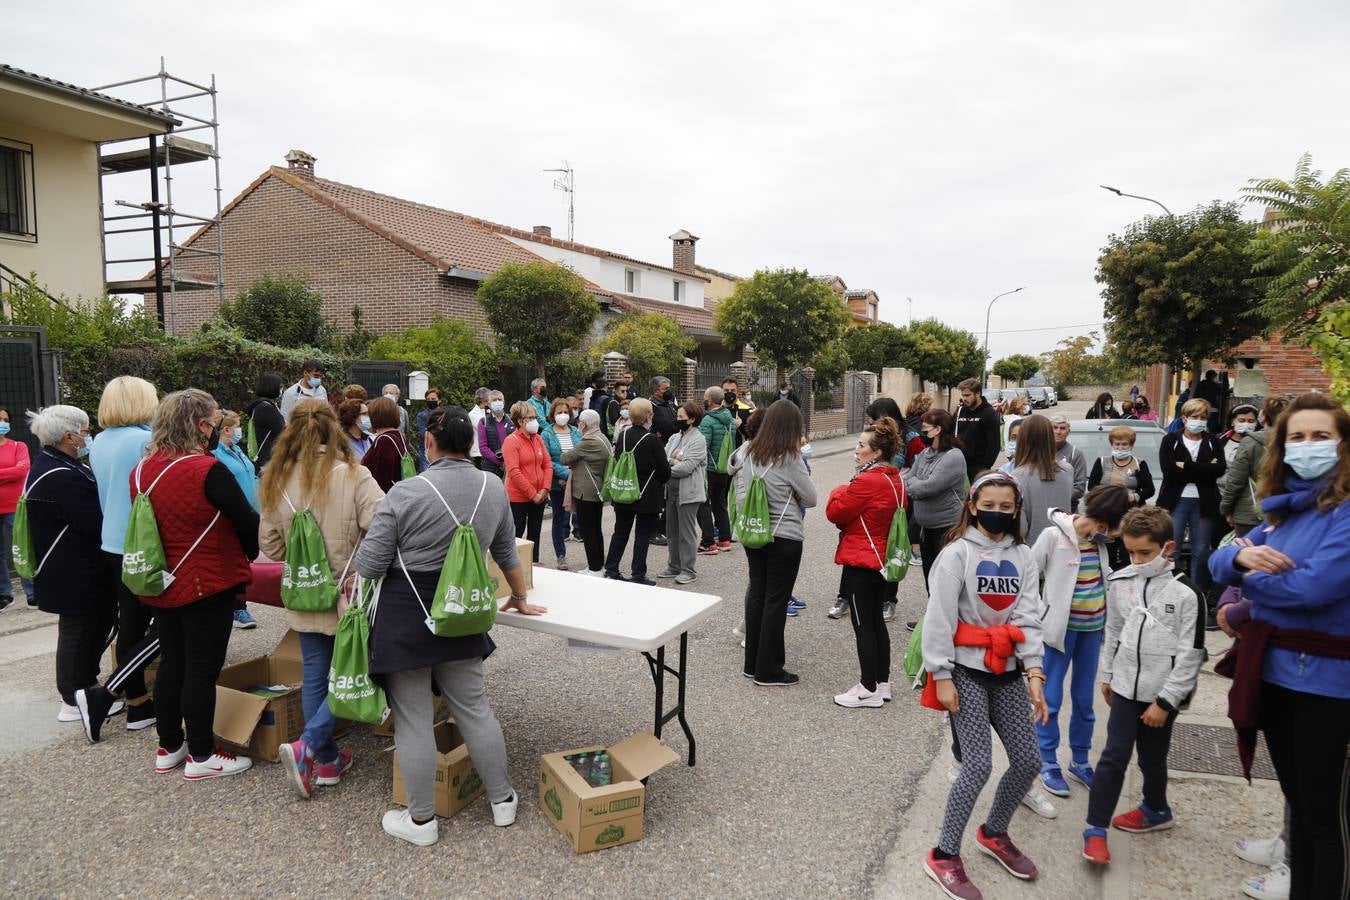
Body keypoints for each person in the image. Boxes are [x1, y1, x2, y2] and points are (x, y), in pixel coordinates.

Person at [354, 405, 543, 846]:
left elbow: (371, 564)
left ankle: (421, 821)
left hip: (408, 611)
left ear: (429, 443)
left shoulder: (404, 492)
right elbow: (506, 553)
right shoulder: (492, 486)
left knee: (414, 718)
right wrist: (519, 597)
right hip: (464, 609)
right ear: (472, 443)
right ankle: (502, 801)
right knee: (475, 708)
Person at [1208, 392, 1349, 899]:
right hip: (1277, 676)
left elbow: (1314, 588)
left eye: (1321, 436)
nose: (1307, 446)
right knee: (1297, 803)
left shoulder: (1344, 512)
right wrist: (1243, 565)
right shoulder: (1287, 510)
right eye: (1297, 437)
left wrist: (1248, 599)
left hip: (1329, 688)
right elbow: (1221, 561)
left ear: (1343, 446)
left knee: (1325, 822)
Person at [920, 472, 1048, 897]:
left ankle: (994, 832)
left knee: (1029, 761)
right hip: (965, 670)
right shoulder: (957, 554)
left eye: (1006, 507)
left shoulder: (1025, 556)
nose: (997, 513)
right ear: (973, 506)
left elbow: (1028, 615)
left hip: (1009, 671)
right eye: (989, 505)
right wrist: (940, 674)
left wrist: (1034, 672)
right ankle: (943, 854)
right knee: (976, 764)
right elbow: (938, 617)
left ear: (1016, 510)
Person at [261, 400, 384, 799]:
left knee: (316, 671)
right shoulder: (354, 475)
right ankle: (309, 745)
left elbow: (272, 548)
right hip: (347, 592)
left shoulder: (274, 478)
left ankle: (327, 760)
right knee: (356, 670)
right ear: (335, 430)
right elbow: (382, 527)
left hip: (304, 589)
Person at [135, 389, 259, 780]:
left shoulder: (143, 469)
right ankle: (203, 754)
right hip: (208, 578)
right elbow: (246, 520)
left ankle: (169, 744)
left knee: (174, 661)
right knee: (202, 670)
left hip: (161, 580)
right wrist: (250, 553)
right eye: (215, 423)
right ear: (202, 426)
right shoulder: (206, 469)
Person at [1082, 505, 1205, 866]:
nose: (1136, 559)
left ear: (1168, 547)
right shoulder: (1120, 582)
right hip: (1124, 688)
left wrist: (1166, 702)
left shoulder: (1187, 595)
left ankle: (1156, 809)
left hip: (1160, 694)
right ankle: (1095, 829)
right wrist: (1107, 675)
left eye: (1145, 553)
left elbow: (1191, 654)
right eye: (1131, 552)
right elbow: (1114, 630)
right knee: (1114, 756)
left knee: (1153, 758)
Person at [1030, 485, 1133, 798]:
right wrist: (1039, 615)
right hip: (1058, 634)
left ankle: (1079, 759)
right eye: (1111, 528)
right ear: (1102, 520)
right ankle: (1047, 761)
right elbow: (1028, 576)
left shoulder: (1100, 543)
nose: (1110, 534)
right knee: (1050, 697)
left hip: (1092, 630)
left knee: (1085, 700)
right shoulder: (1053, 537)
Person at [77, 377, 159, 739]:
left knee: (133, 623)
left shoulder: (100, 443)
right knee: (170, 623)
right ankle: (110, 692)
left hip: (113, 542)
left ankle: (138, 701)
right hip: (143, 543)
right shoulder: (142, 441)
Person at [24, 405, 117, 724]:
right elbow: (92, 520)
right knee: (79, 631)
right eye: (86, 431)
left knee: (89, 627)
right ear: (69, 436)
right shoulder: (61, 475)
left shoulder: (53, 464)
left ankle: (85, 687)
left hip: (70, 566)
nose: (88, 437)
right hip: (72, 568)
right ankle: (72, 696)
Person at [732, 400, 816, 685]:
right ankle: (769, 670)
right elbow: (811, 498)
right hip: (784, 534)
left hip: (755, 531)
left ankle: (752, 663)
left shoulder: (748, 452)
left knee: (757, 593)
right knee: (776, 600)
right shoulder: (790, 457)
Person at [826, 416, 905, 708]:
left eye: (861, 445)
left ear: (877, 452)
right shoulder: (893, 477)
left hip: (863, 559)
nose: (856, 450)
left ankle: (867, 688)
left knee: (863, 625)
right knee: (875, 622)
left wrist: (838, 490)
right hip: (881, 558)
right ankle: (881, 682)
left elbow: (836, 511)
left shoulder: (868, 479)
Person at [1157, 398, 1225, 624]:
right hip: (1176, 502)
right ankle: (1170, 595)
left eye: (1203, 417)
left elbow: (1219, 470)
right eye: (1194, 417)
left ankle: (1196, 599)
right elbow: (1169, 471)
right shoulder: (1170, 440)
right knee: (1171, 550)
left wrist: (1185, 465)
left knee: (1200, 551)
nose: (1198, 421)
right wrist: (1203, 469)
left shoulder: (1214, 442)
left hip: (1204, 504)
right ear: (1184, 418)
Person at [604, 398, 671, 584]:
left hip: (624, 492)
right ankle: (638, 574)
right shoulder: (653, 441)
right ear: (648, 416)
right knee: (642, 536)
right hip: (646, 495)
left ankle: (611, 568)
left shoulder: (623, 435)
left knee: (620, 532)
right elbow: (664, 472)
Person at [902, 409, 968, 596]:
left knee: (945, 578)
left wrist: (916, 486)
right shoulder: (925, 453)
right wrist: (916, 485)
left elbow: (928, 487)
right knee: (930, 575)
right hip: (926, 527)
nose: (922, 432)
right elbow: (909, 481)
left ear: (938, 429)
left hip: (945, 527)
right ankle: (933, 616)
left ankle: (947, 620)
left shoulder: (953, 456)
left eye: (925, 429)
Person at [212, 411, 261, 630]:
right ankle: (238, 608)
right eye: (238, 426)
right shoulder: (215, 454)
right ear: (227, 430)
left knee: (244, 560)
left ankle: (238, 605)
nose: (240, 431)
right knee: (234, 560)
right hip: (232, 514)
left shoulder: (238, 450)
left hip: (251, 510)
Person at [1220, 396, 1289, 538]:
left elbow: (1235, 480)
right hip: (1284, 509)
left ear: (1262, 417)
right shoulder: (1293, 441)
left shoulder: (1250, 442)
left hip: (1249, 512)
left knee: (1248, 554)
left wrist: (1226, 509)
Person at [658, 400, 708, 585]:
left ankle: (688, 569)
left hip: (689, 491)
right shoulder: (674, 437)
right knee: (672, 531)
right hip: (671, 489)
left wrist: (669, 464)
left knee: (686, 533)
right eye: (677, 416)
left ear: (692, 419)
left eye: (681, 417)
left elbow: (686, 467)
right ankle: (674, 566)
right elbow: (663, 458)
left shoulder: (698, 439)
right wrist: (672, 462)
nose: (677, 419)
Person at [561, 409, 610, 577]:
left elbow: (566, 458)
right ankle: (598, 565)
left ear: (583, 424)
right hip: (596, 489)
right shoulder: (602, 437)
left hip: (586, 491)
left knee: (588, 531)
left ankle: (594, 568)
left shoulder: (588, 440)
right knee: (596, 529)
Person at [1011, 415, 1075, 541]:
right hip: (1064, 546)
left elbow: (1021, 528)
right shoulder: (1067, 470)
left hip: (1033, 548)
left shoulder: (1017, 476)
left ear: (1023, 440)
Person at [502, 400, 550, 564]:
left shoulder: (537, 439)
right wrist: (532, 493)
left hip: (540, 495)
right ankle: (514, 568)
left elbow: (547, 465)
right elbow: (514, 471)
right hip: (518, 497)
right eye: (530, 417)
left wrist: (545, 488)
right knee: (517, 533)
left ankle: (533, 564)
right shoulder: (511, 441)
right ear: (520, 420)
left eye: (534, 417)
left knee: (535, 532)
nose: (534, 421)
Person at [539, 398, 581, 570]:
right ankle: (560, 555)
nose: (563, 415)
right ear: (552, 414)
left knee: (583, 517)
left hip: (578, 480)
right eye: (559, 412)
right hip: (558, 483)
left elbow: (581, 453)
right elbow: (547, 460)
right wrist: (567, 474)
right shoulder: (547, 433)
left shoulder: (576, 432)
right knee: (558, 518)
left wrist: (575, 474)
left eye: (565, 412)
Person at [0, 405, 33, 610]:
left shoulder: (18, 446)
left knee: (21, 547)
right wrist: (7, 473)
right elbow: (14, 471)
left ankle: (32, 592)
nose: (2, 423)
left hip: (14, 506)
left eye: (5, 419)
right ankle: (4, 594)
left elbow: (22, 470)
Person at [697, 386, 736, 555]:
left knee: (703, 504)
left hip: (710, 468)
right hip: (724, 468)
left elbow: (703, 446)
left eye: (705, 398)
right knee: (720, 503)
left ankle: (708, 543)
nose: (703, 400)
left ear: (710, 401)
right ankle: (725, 539)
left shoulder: (708, 420)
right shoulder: (729, 419)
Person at [648, 377, 679, 547]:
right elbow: (668, 426)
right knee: (658, 493)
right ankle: (654, 531)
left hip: (670, 449)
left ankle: (665, 527)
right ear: (656, 391)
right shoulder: (651, 406)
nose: (668, 391)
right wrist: (669, 428)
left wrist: (673, 427)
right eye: (665, 388)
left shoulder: (669, 405)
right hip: (658, 451)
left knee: (668, 492)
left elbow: (676, 424)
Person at [361, 397, 414, 494]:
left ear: (375, 416)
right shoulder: (399, 436)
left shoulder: (384, 440)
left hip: (386, 499)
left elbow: (382, 479)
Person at [954, 378, 1001, 481]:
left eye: (967, 395)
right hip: (959, 464)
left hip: (978, 468)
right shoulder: (961, 410)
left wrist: (985, 466)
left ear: (978, 393)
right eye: (963, 395)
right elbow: (954, 432)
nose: (964, 398)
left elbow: (994, 444)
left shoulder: (989, 414)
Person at [245, 373, 286, 471]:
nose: (281, 390)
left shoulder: (260, 405)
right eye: (280, 387)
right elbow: (282, 430)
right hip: (270, 456)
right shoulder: (266, 408)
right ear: (272, 387)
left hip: (266, 454)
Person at [1217, 403, 1260, 494]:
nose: (1246, 424)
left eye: (1251, 421)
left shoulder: (1259, 443)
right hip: (1218, 492)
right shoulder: (1220, 440)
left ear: (1256, 423)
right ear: (1233, 422)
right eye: (1241, 420)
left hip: (1246, 495)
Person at [1050, 414, 1088, 507]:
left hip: (1067, 510)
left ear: (1068, 432)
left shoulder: (1076, 454)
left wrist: (1053, 497)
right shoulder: (1040, 452)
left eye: (1062, 428)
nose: (1058, 432)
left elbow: (1079, 488)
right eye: (1054, 427)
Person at [476, 390, 514, 477]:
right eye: (494, 400)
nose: (498, 402)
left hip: (511, 465)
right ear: (488, 404)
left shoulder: (512, 421)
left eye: (500, 399)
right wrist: (500, 463)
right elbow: (483, 447)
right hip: (490, 467)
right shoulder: (483, 422)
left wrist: (509, 462)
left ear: (504, 402)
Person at [417, 387, 448, 467]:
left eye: (433, 398)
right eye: (428, 399)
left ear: (439, 400)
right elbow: (423, 434)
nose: (431, 401)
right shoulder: (422, 416)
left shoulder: (446, 414)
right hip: (426, 452)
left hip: (443, 451)